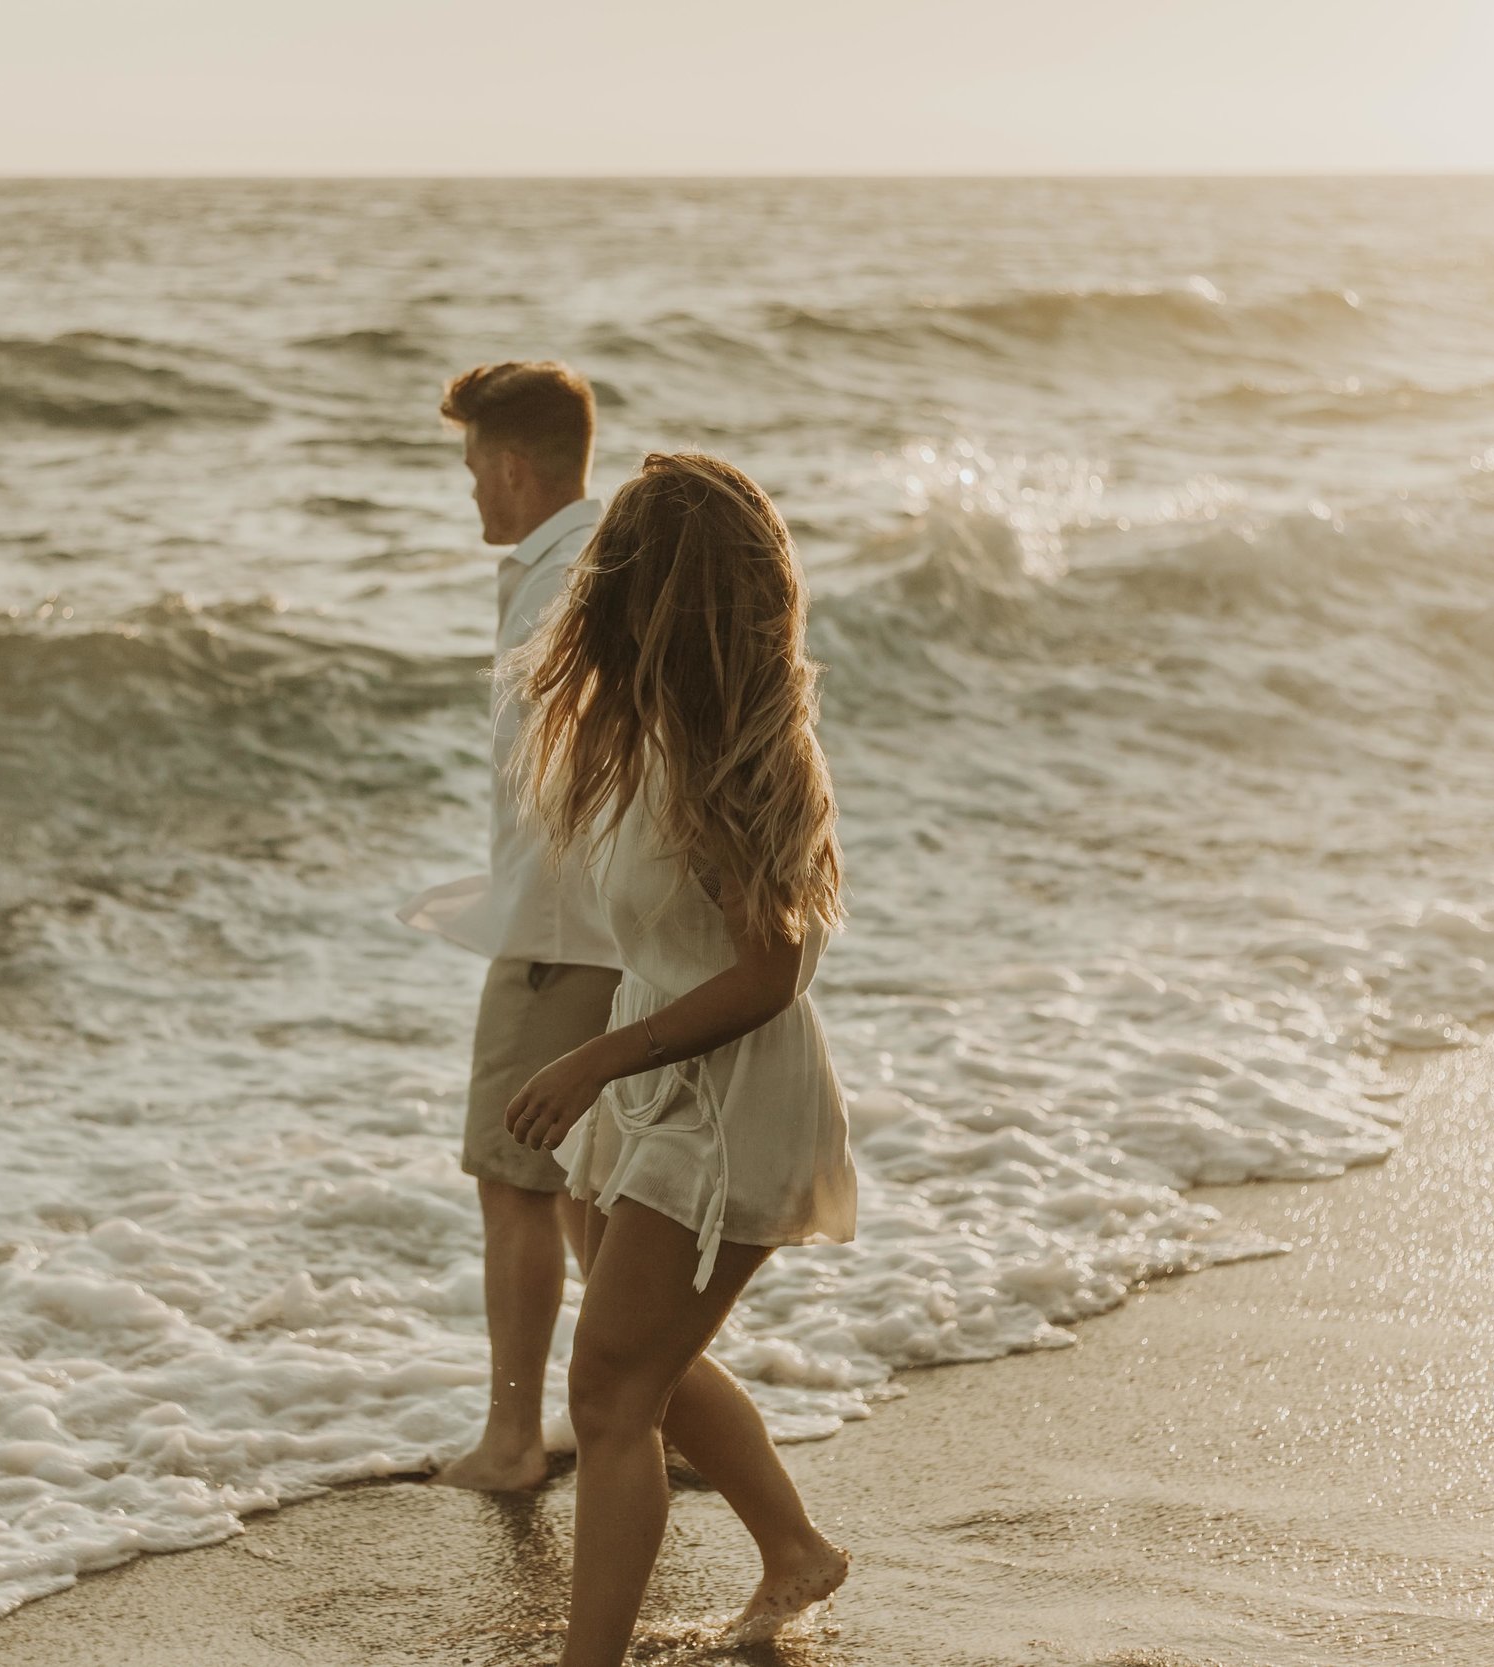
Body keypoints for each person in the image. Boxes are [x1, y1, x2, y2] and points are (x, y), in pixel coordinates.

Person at [501, 452, 857, 1662]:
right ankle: (796, 1551)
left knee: (608, 1390)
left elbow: (772, 972)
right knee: (639, 1358)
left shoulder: (737, 758)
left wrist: (596, 1058)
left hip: (730, 1100)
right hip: (656, 1084)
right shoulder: (647, 731)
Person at [399, 360, 623, 1492]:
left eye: (474, 469)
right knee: (596, 1187)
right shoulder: (610, 556)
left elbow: (583, 765)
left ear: (512, 466)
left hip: (559, 927)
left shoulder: (555, 579)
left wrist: (533, 908)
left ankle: (511, 1438)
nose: (471, 493)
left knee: (515, 1177)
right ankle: (627, 1407)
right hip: (605, 922)